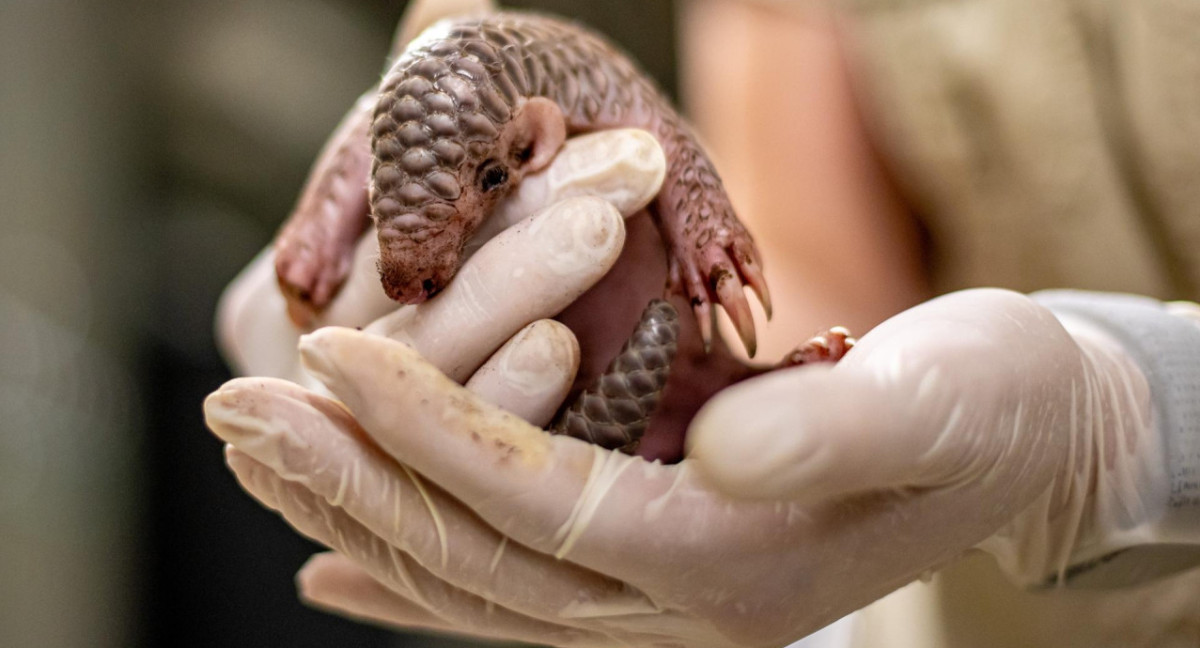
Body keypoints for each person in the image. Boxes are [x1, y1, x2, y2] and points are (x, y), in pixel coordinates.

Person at [207, 0, 1200, 646]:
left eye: (485, 182)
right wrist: (756, 490)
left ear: (535, 136)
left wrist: (1154, 413)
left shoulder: (575, 97)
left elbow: (688, 179)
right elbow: (807, 275)